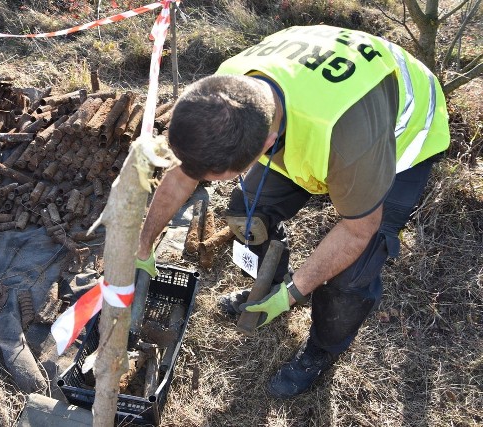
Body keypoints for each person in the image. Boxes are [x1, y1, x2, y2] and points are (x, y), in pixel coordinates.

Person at [134, 24, 450, 398]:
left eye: (221, 174)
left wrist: (294, 293)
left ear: (267, 144)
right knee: (245, 215)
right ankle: (267, 284)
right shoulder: (226, 91)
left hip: (399, 136)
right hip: (306, 113)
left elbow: (357, 230)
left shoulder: (347, 139)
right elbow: (181, 175)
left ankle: (320, 350)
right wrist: (143, 247)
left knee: (354, 269)